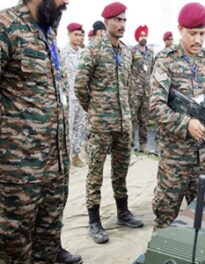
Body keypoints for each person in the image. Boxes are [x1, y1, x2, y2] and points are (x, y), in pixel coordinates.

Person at [0, 0, 82, 263]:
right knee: (14, 250)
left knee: (47, 244)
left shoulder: (47, 30)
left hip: (54, 166)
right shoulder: (6, 26)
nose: (67, 2)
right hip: (18, 174)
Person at [149, 2, 205, 229]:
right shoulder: (166, 60)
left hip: (203, 159)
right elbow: (156, 106)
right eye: (192, 34)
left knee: (202, 223)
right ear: (180, 29)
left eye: (202, 33)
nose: (198, 40)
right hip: (174, 161)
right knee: (165, 221)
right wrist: (185, 123)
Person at [75, 2, 143, 244]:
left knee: (120, 172)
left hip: (123, 125)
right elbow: (80, 87)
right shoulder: (93, 50)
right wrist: (94, 111)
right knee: (95, 173)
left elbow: (128, 86)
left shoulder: (126, 52)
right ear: (106, 21)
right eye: (117, 20)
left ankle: (123, 212)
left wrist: (128, 113)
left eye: (124, 20)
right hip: (100, 125)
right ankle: (94, 221)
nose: (122, 24)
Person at [61, 22, 87, 168]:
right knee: (68, 128)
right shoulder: (64, 52)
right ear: (69, 34)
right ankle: (66, 158)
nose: (79, 37)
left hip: (80, 98)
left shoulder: (81, 53)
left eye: (80, 35)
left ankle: (76, 155)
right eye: (76, 34)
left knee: (79, 127)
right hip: (69, 98)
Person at [130, 25, 155, 153]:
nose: (143, 37)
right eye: (141, 35)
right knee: (133, 118)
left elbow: (152, 71)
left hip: (146, 91)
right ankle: (130, 144)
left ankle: (143, 144)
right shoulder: (132, 52)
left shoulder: (150, 53)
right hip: (134, 91)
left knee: (144, 119)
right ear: (137, 37)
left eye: (145, 35)